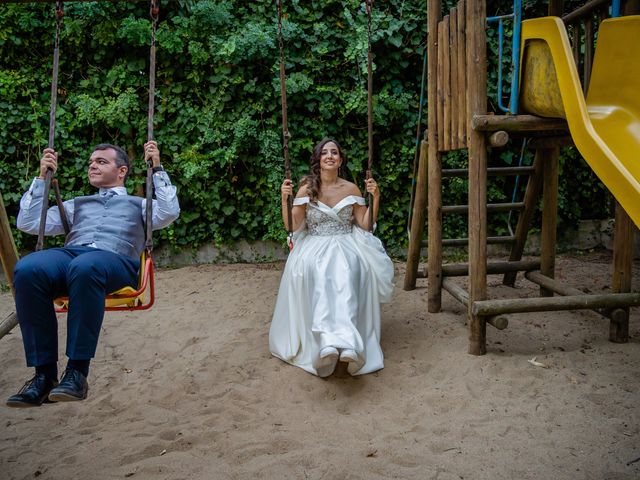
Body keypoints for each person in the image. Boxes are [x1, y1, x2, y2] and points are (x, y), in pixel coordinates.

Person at [6, 141, 180, 408]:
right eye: (91, 162)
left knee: (86, 266)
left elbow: (169, 211)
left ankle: (77, 373)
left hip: (116, 261)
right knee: (29, 268)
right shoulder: (77, 205)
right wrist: (41, 178)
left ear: (121, 171)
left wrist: (157, 168)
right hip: (75, 256)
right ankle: (44, 377)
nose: (92, 165)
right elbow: (27, 222)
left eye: (101, 161)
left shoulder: (140, 205)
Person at [269, 138, 394, 377]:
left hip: (346, 242)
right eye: (324, 153)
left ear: (340, 160)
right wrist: (284, 199)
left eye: (334, 152)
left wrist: (375, 198)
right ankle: (327, 342)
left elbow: (366, 226)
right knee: (321, 270)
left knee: (347, 269)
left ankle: (347, 344)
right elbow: (293, 225)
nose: (329, 156)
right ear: (318, 159)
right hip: (315, 244)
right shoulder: (307, 187)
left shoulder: (351, 189)